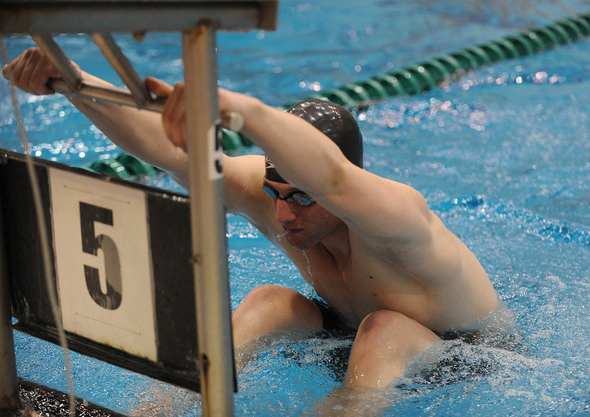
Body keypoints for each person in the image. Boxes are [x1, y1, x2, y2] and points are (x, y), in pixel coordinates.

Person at [5, 48, 514, 390]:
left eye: (301, 198)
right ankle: (170, 405)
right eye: (274, 193)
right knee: (270, 301)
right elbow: (170, 150)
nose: (282, 213)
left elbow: (333, 177)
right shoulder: (275, 193)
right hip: (348, 337)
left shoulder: (395, 218)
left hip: (462, 361)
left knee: (384, 329)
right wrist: (73, 81)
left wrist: (245, 110)